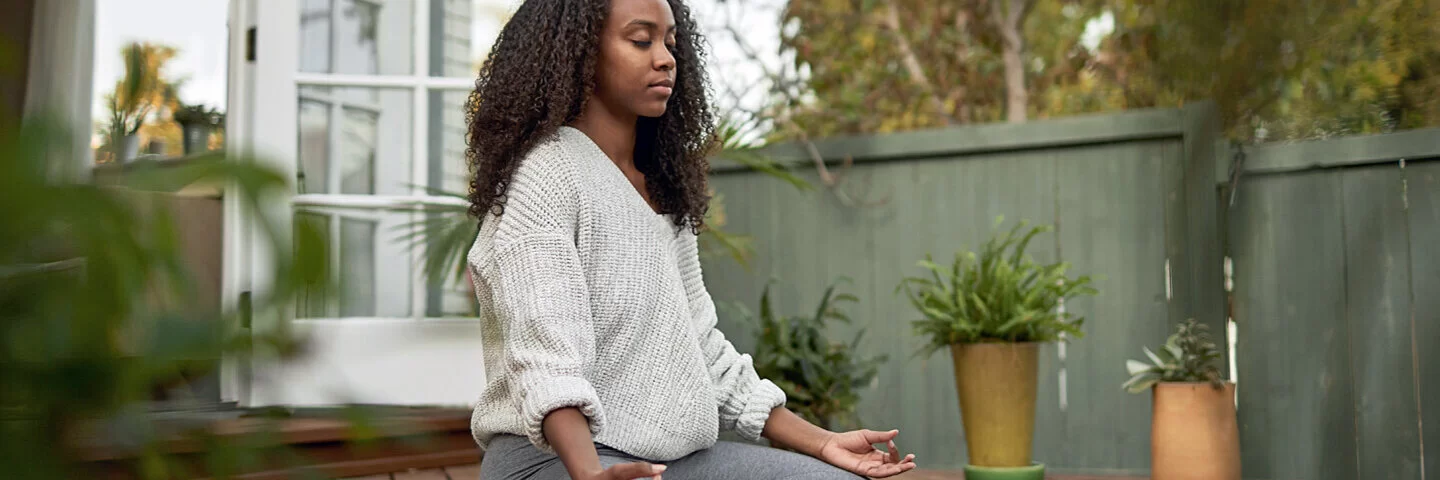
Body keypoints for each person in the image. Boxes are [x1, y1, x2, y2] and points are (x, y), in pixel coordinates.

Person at [462, 0, 916, 478]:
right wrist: (589, 473)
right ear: (579, 53)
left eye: (670, 43)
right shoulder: (547, 174)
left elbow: (704, 352)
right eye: (641, 40)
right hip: (553, 461)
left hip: (669, 459)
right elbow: (545, 357)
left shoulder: (659, 191)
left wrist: (824, 444)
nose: (664, 58)